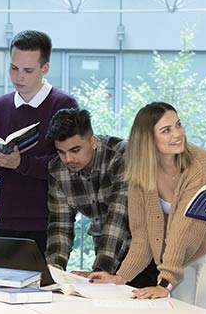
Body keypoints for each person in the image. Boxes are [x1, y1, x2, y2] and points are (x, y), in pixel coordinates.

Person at [88, 102, 206, 314]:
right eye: (166, 130)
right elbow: (142, 237)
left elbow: (185, 228)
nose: (177, 134)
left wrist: (164, 283)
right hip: (183, 251)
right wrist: (121, 277)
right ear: (148, 139)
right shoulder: (141, 173)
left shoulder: (200, 165)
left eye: (178, 125)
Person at [0, 30, 77, 254]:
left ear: (45, 68)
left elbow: (69, 164)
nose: (18, 77)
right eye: (14, 68)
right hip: (5, 219)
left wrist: (20, 164)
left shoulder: (64, 104)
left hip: (50, 221)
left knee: (46, 278)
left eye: (28, 70)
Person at [45, 108, 157, 285]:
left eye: (75, 150)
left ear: (92, 141)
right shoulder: (58, 170)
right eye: (61, 152)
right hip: (106, 254)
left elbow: (119, 216)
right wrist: (54, 270)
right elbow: (60, 225)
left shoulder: (122, 155)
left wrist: (99, 271)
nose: (68, 159)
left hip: (144, 256)